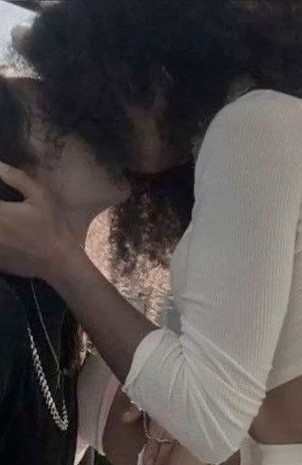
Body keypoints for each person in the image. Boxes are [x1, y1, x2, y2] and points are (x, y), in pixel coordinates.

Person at [1, 2, 302, 464]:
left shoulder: (255, 125)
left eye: (95, 94)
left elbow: (207, 419)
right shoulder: (263, 127)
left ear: (151, 64)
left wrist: (61, 259)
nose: (96, 123)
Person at [0, 71, 189, 465]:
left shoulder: (64, 313)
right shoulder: (6, 310)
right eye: (64, 120)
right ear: (11, 172)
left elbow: (183, 430)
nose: (100, 132)